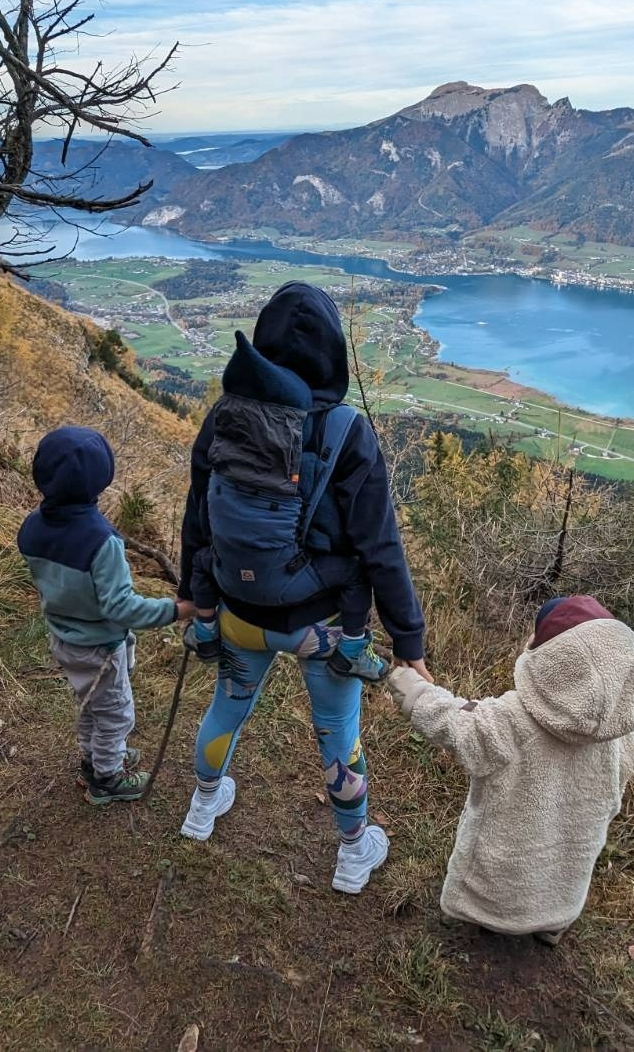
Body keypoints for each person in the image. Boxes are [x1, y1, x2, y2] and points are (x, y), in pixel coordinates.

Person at [177, 281, 432, 894]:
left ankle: (202, 807)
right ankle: (352, 852)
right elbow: (379, 547)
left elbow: (198, 511)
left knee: (226, 707)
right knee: (337, 732)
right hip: (320, 625)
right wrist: (409, 639)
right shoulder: (347, 431)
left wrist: (192, 589)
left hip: (237, 610)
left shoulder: (227, 414)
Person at [385, 596, 634, 945]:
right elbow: (633, 764)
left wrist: (414, 691)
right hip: (567, 881)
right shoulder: (622, 733)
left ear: (551, 658)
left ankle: (493, 920)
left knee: (501, 877)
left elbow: (456, 724)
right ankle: (551, 923)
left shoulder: (516, 720)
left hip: (500, 880)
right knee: (571, 862)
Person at [18, 426, 193, 805]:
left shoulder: (31, 528)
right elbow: (120, 606)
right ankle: (107, 778)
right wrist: (175, 610)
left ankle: (94, 757)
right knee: (115, 713)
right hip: (99, 647)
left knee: (89, 705)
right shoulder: (101, 541)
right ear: (103, 478)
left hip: (64, 637)